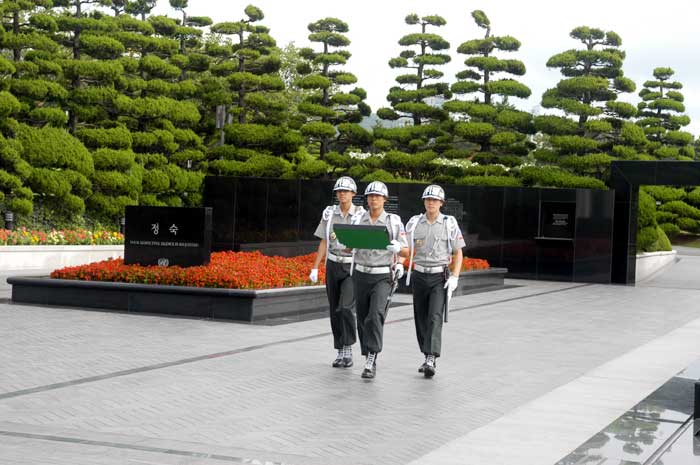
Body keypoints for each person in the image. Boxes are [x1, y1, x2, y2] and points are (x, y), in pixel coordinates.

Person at [404, 185, 466, 378]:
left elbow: (458, 252)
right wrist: (398, 260)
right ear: (424, 202)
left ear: (441, 203)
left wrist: (455, 276)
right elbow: (405, 248)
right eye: (428, 200)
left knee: (434, 316)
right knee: (421, 317)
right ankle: (426, 354)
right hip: (419, 274)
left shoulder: (449, 223)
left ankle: (431, 356)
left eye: (435, 200)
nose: (431, 203)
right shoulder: (414, 223)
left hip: (439, 277)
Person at [350, 181, 408, 379]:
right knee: (362, 317)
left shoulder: (394, 222)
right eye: (370, 196)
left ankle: (371, 357)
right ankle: (368, 353)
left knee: (375, 315)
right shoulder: (359, 220)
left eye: (378, 196)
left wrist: (398, 253)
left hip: (383, 275)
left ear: (384, 199)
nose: (374, 199)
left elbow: (407, 250)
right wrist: (348, 240)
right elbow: (349, 247)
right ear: (366, 199)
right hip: (360, 273)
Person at [309, 176, 365, 368]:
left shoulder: (361, 215)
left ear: (353, 194)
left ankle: (348, 348)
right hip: (333, 264)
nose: (342, 194)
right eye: (339, 191)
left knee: (345, 307)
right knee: (334, 309)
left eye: (346, 191)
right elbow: (324, 241)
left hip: (351, 266)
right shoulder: (329, 214)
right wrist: (315, 266)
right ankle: (340, 349)